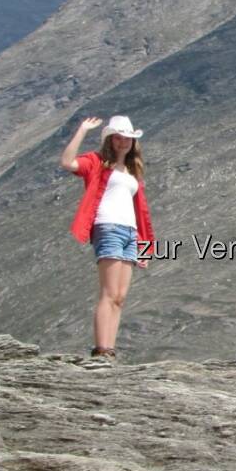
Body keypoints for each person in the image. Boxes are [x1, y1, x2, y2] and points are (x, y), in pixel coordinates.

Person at [61, 115, 154, 364]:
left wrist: (144, 247)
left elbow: (140, 212)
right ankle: (101, 350)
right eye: (118, 138)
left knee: (120, 296)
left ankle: (109, 350)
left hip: (130, 232)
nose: (123, 142)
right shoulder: (97, 163)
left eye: (127, 138)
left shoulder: (133, 171)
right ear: (110, 140)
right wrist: (82, 130)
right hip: (109, 227)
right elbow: (67, 162)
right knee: (108, 292)